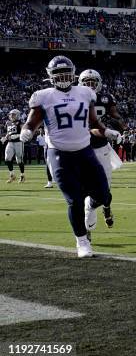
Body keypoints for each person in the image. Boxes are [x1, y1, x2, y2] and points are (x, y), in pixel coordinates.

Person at [19, 56, 119, 257]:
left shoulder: (85, 93)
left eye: (65, 72)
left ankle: (91, 206)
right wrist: (27, 130)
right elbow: (32, 122)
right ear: (50, 76)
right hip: (59, 153)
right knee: (74, 200)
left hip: (85, 151)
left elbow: (92, 121)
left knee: (104, 194)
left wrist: (106, 131)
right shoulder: (44, 96)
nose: (62, 76)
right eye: (57, 73)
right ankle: (82, 241)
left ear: (73, 73)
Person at [78, 69, 126, 229]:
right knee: (83, 188)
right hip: (82, 147)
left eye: (93, 82)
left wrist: (116, 121)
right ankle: (86, 228)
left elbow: (117, 117)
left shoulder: (106, 98)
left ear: (98, 83)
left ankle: (106, 207)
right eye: (86, 82)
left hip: (102, 147)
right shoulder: (76, 98)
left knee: (105, 189)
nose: (90, 85)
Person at [3, 109, 26, 183]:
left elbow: (24, 133)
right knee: (7, 158)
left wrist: (16, 136)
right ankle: (12, 175)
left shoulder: (20, 122)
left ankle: (22, 175)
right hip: (10, 143)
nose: (11, 116)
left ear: (17, 115)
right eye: (11, 114)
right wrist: (5, 138)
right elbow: (8, 132)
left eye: (13, 114)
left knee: (19, 160)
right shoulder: (8, 122)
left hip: (18, 142)